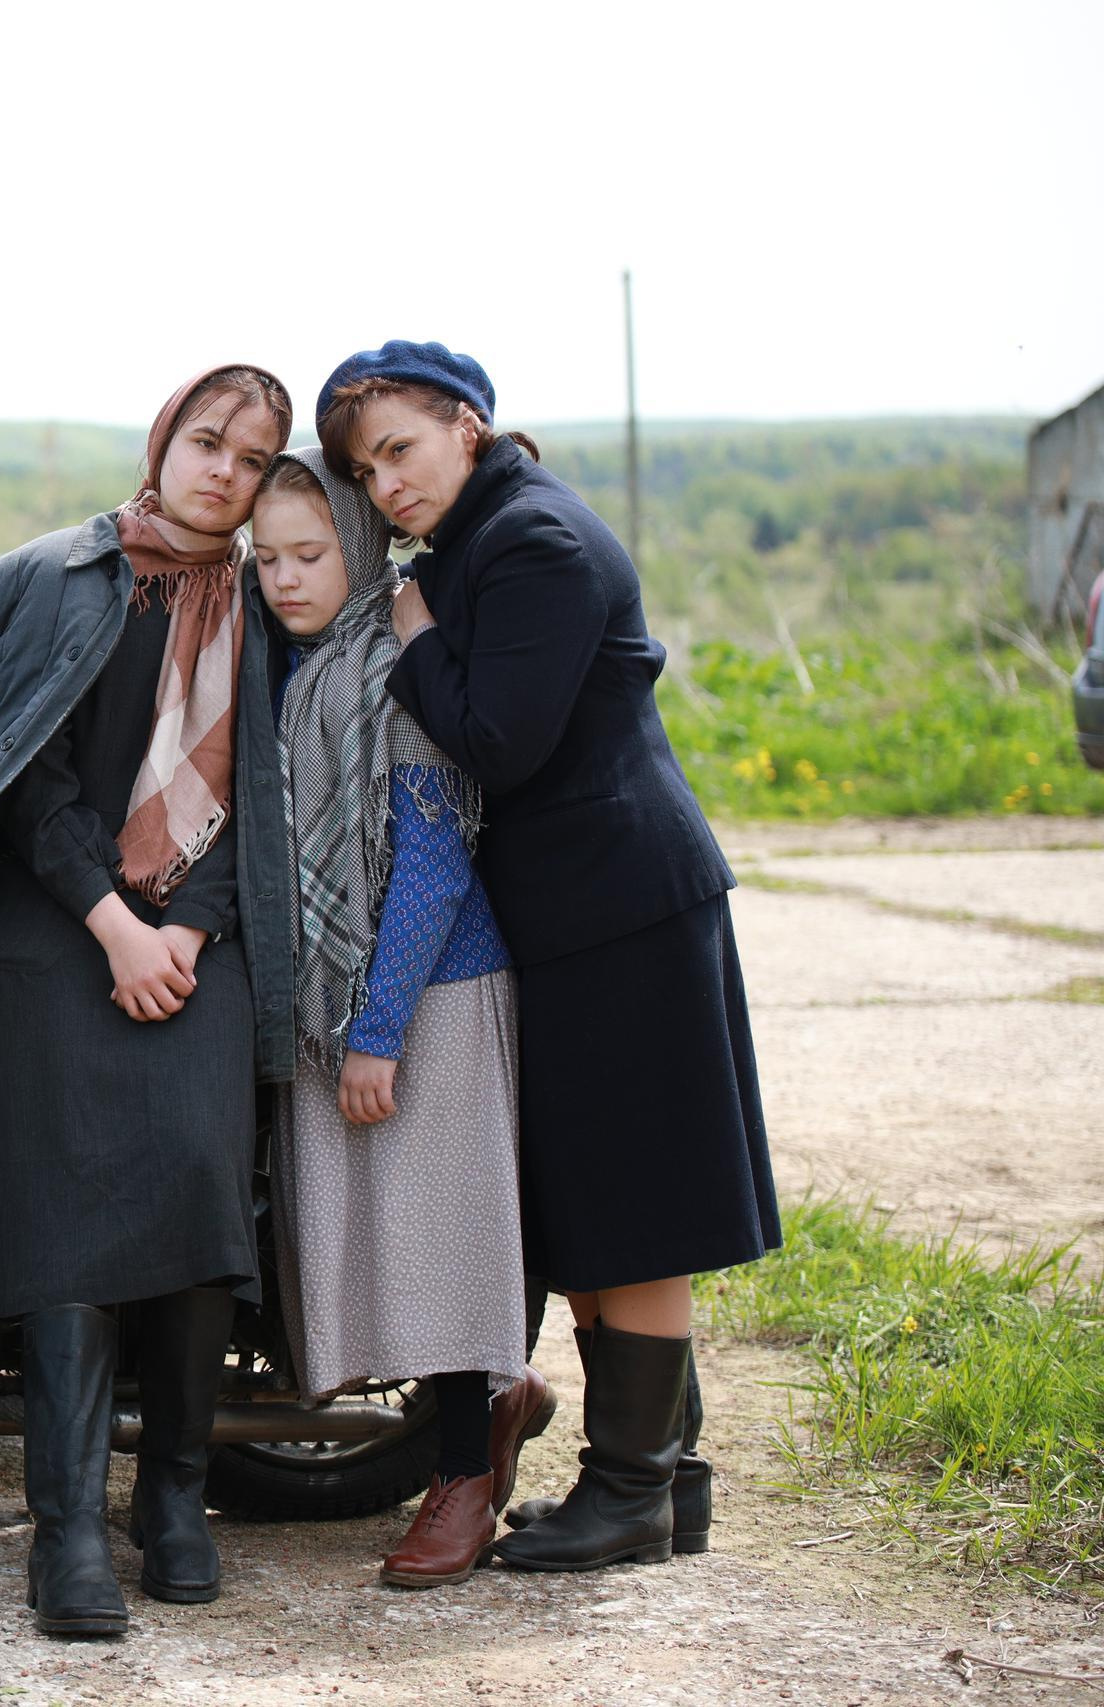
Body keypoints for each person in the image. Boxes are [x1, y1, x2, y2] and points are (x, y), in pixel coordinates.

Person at [0, 364, 299, 1638]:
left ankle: (177, 1496)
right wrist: (114, 927)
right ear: (164, 440)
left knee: (203, 1189)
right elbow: (20, 779)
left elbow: (265, 797)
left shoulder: (262, 607)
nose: (222, 474)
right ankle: (67, 1527)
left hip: (205, 932)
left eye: (251, 462)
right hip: (51, 918)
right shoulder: (59, 578)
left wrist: (185, 929)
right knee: (71, 1207)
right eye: (207, 442)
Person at [314, 341, 780, 1573]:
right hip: (579, 913)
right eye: (364, 472)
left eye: (400, 450)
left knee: (636, 1208)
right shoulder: (483, 535)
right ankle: (663, 1484)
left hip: (619, 903)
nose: (386, 488)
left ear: (467, 424)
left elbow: (496, 743)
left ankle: (630, 1489)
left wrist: (413, 638)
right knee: (598, 1197)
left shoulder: (532, 542)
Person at [250, 448, 555, 1589]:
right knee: (373, 1241)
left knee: (445, 1238)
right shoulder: (289, 668)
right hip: (334, 995)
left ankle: (464, 1481)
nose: (285, 579)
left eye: (310, 553)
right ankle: (488, 1402)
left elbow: (430, 863)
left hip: (428, 989)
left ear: (361, 547)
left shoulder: (388, 663)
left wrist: (379, 1032)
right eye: (267, 558)